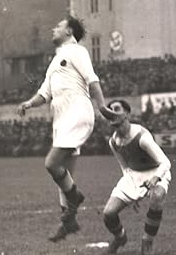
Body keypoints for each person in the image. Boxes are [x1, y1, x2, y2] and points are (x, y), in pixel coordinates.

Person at [17, 16, 117, 242]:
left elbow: (92, 80)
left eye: (58, 26)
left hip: (77, 111)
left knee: (51, 164)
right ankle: (69, 222)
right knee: (66, 173)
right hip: (61, 118)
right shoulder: (56, 60)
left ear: (69, 31)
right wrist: (28, 104)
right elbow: (44, 93)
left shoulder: (77, 51)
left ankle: (75, 197)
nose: (54, 28)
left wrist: (101, 105)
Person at [103, 99, 172, 255]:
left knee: (157, 196)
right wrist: (135, 191)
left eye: (116, 109)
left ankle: (147, 241)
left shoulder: (141, 137)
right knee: (108, 214)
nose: (111, 112)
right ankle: (120, 237)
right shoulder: (113, 142)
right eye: (109, 110)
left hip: (156, 171)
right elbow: (125, 167)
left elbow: (165, 162)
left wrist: (155, 178)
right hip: (133, 175)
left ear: (127, 114)